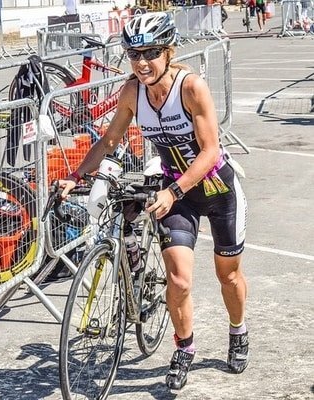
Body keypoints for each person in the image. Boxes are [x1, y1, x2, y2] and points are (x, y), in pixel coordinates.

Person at [59, 12, 249, 390]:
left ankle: (238, 330)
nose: (142, 62)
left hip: (217, 190)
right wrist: (76, 175)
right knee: (178, 280)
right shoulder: (133, 91)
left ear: (168, 51)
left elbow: (211, 151)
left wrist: (173, 190)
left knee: (227, 275)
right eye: (134, 54)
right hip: (178, 197)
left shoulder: (191, 87)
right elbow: (110, 140)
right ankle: (185, 348)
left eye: (150, 53)